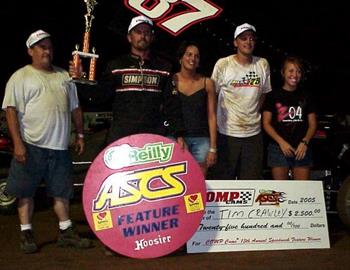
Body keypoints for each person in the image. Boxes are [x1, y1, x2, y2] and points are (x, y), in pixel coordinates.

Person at [2, 30, 92, 253]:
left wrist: (80, 135)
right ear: (30, 51)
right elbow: (11, 111)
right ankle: (26, 233)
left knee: (61, 191)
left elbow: (75, 108)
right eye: (41, 47)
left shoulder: (64, 76)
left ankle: (65, 231)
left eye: (49, 46)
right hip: (31, 146)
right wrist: (18, 144)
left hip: (60, 147)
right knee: (25, 192)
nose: (47, 50)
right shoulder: (20, 76)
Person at [70, 15, 185, 148]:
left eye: (147, 32)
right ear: (129, 37)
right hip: (121, 136)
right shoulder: (116, 66)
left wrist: (178, 134)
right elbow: (98, 96)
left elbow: (172, 104)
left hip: (153, 136)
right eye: (138, 32)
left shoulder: (164, 68)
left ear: (152, 38)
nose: (143, 36)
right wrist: (80, 79)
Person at [211, 23, 272, 179]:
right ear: (235, 42)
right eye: (243, 38)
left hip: (253, 135)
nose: (248, 42)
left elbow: (264, 93)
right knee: (224, 182)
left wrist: (252, 113)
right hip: (227, 133)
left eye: (251, 38)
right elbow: (212, 95)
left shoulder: (262, 64)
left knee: (251, 183)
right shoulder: (223, 64)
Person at [262, 56, 317, 180]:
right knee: (281, 193)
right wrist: (281, 143)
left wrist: (305, 142)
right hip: (278, 148)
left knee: (302, 191)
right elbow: (266, 123)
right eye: (291, 71)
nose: (295, 75)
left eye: (298, 71)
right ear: (283, 72)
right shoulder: (272, 95)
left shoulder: (306, 96)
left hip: (301, 149)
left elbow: (313, 125)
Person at [174, 41, 217, 176]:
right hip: (176, 139)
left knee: (198, 184)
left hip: (201, 140)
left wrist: (213, 147)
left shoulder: (207, 83)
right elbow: (167, 113)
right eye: (189, 54)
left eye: (196, 56)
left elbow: (212, 115)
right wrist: (177, 136)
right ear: (181, 58)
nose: (193, 58)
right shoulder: (171, 81)